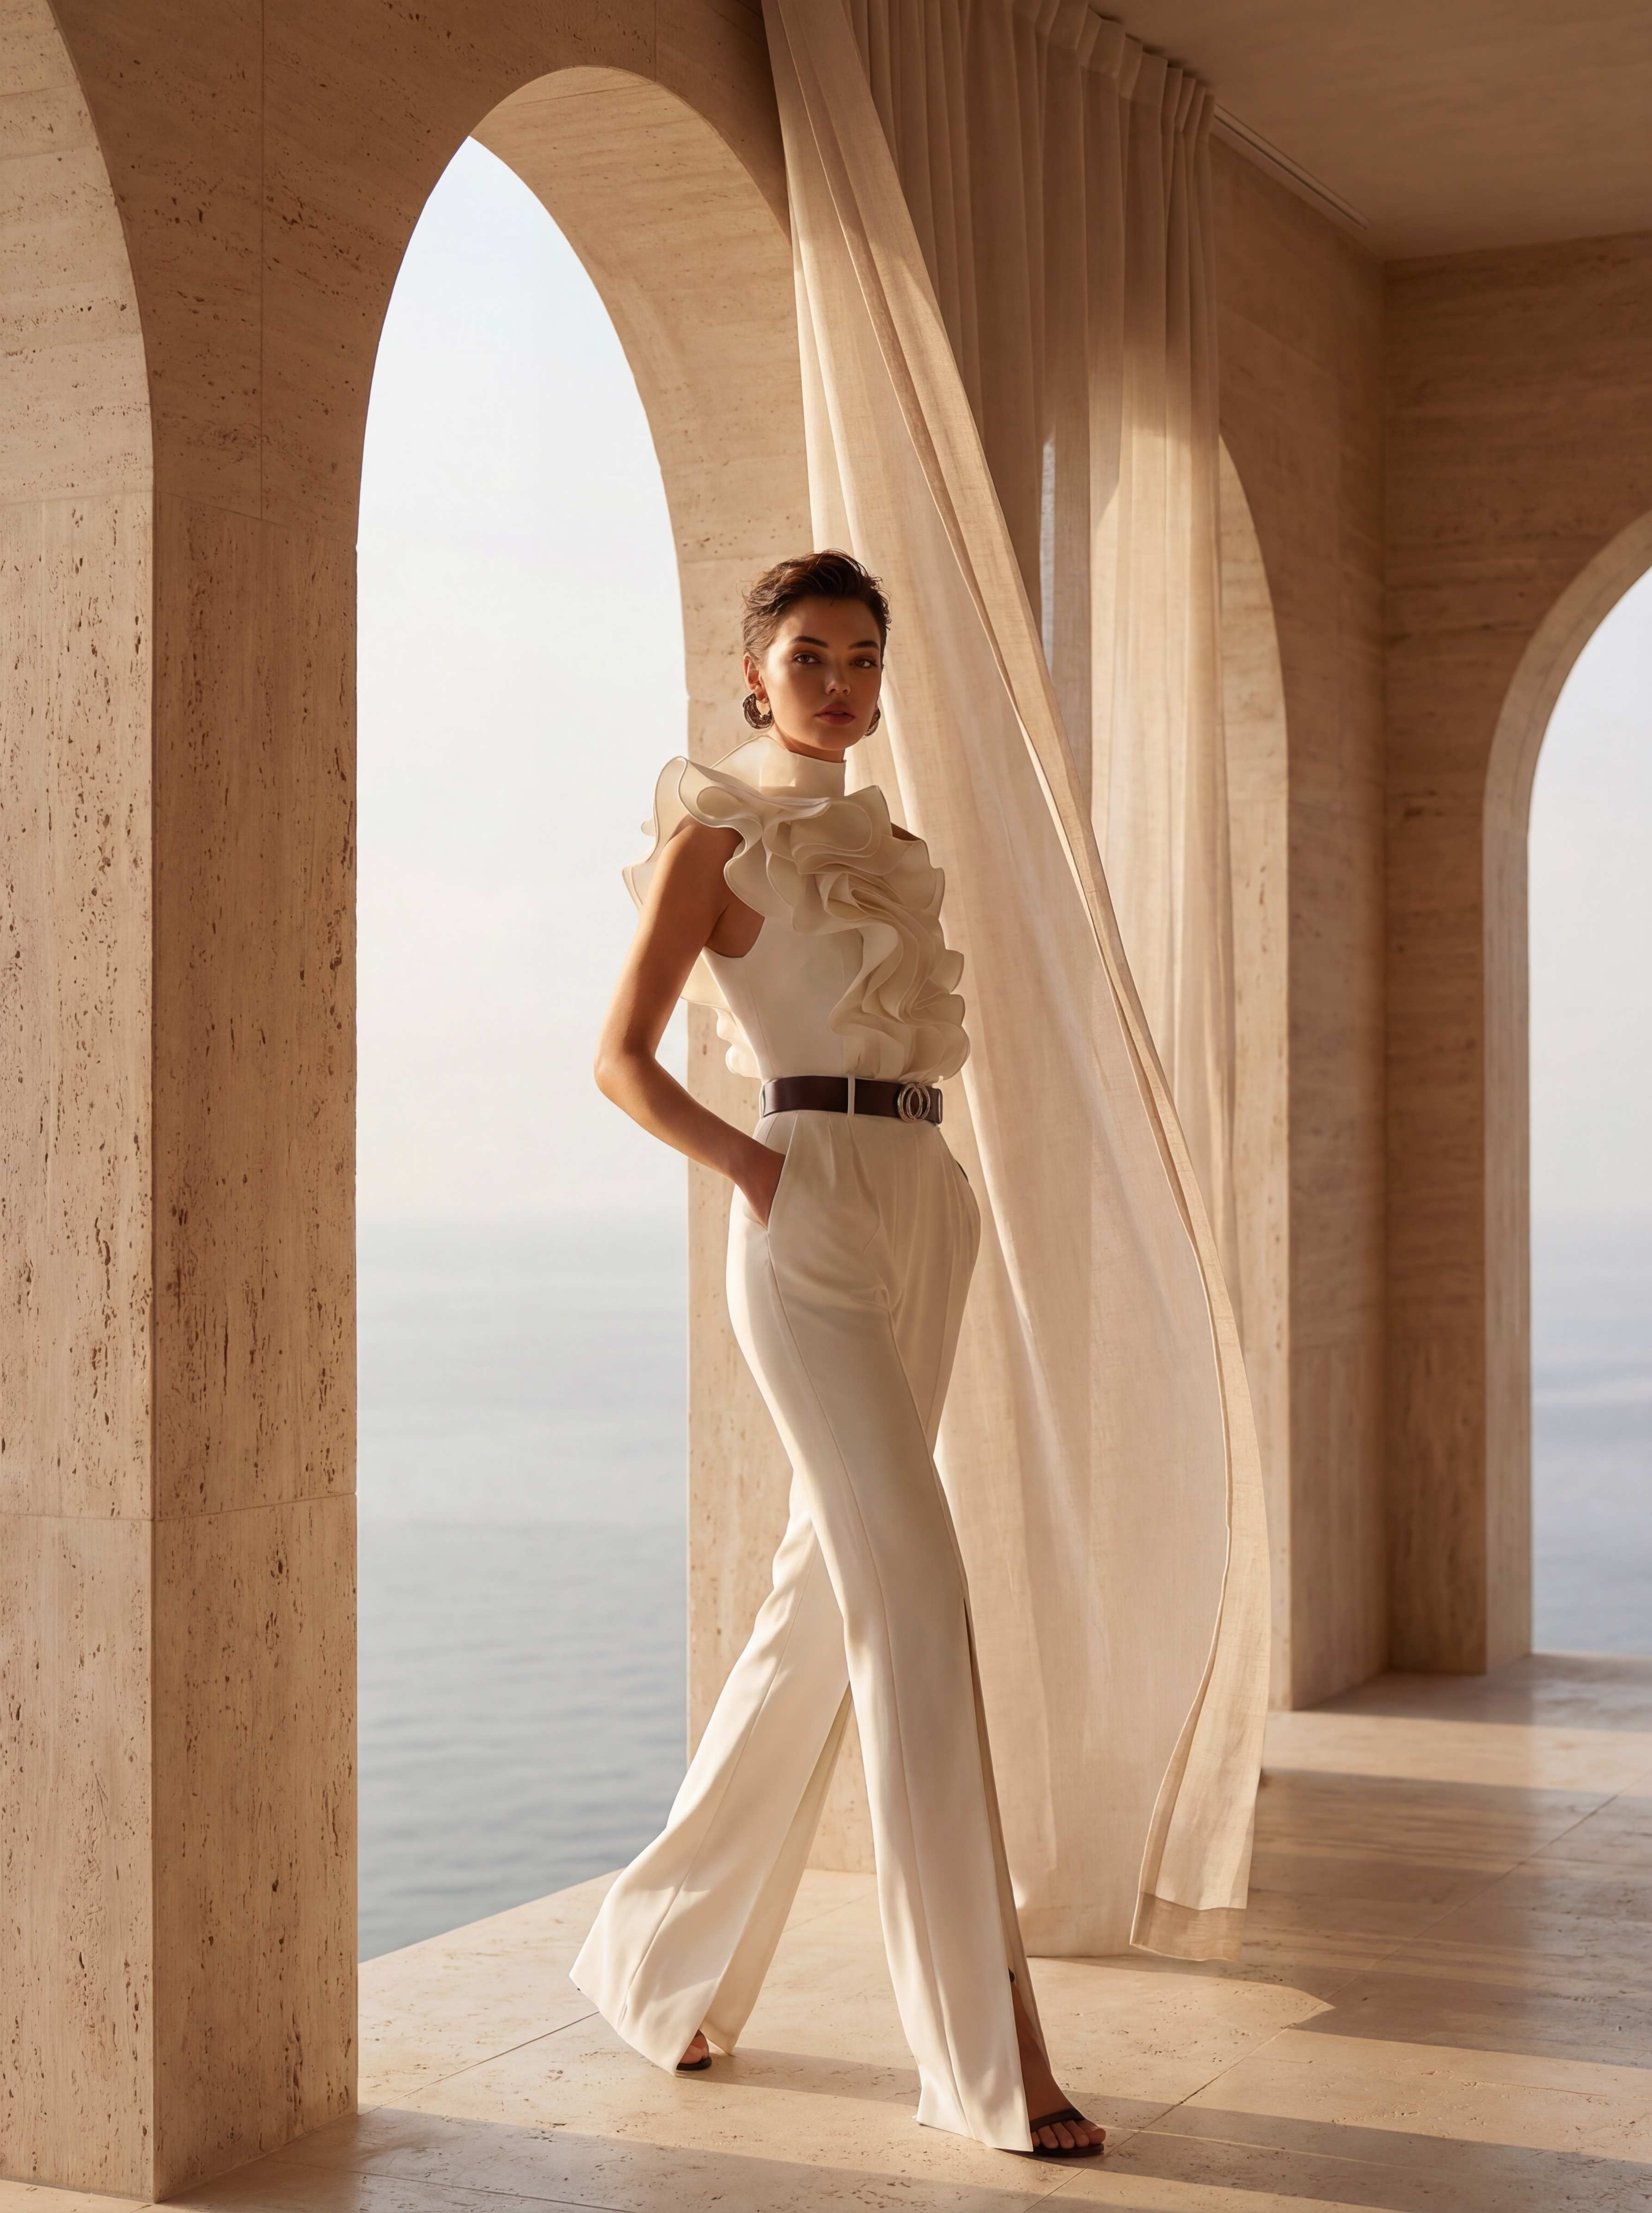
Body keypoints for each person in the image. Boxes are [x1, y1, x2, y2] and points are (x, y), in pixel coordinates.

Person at [569, 550, 1105, 2161]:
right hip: (801, 1212)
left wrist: (907, 1194)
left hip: (923, 1202)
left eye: (863, 658)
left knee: (828, 1605)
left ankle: (655, 1961)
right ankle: (990, 2047)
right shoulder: (712, 838)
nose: (840, 681)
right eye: (809, 655)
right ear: (756, 679)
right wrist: (753, 1172)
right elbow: (619, 1059)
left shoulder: (903, 854)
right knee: (919, 1601)